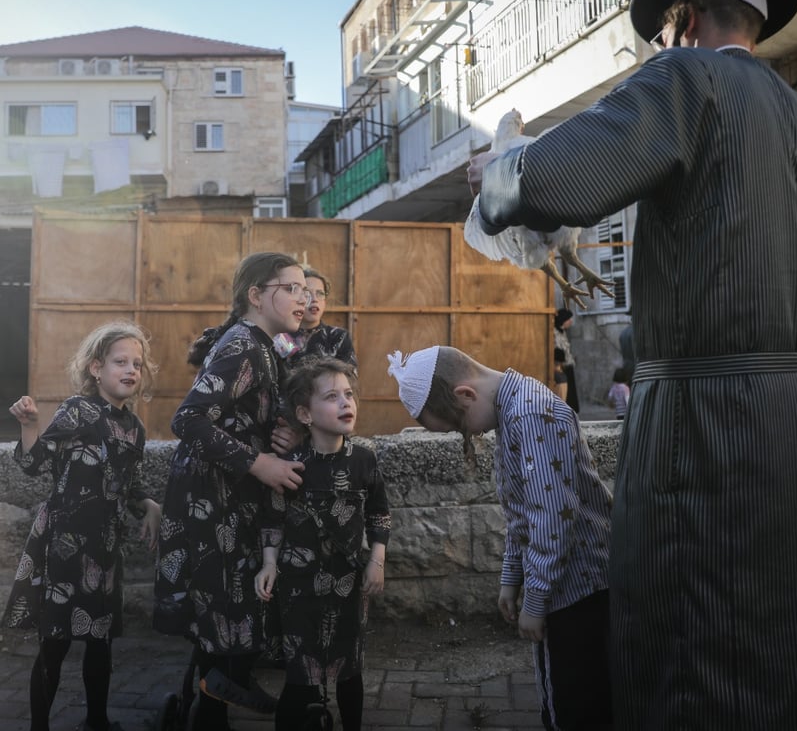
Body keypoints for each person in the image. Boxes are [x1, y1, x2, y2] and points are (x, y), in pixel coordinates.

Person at [466, 0, 797, 727]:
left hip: (704, 420)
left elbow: (552, 177)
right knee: (784, 637)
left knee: (691, 641)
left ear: (684, 18)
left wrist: (498, 170)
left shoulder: (684, 77)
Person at [388, 346, 613, 731]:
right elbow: (522, 506)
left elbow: (552, 516)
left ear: (465, 395)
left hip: (579, 588)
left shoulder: (531, 414)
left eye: (460, 426)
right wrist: (512, 577)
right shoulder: (512, 409)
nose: (470, 433)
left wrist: (536, 598)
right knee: (561, 693)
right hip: (563, 582)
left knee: (578, 704)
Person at [152, 252, 308, 730]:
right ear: (256, 296)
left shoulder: (264, 345)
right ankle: (213, 703)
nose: (303, 298)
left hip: (229, 496)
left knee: (224, 610)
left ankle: (212, 704)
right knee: (221, 606)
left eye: (306, 289)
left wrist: (284, 436)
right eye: (292, 288)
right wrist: (260, 462)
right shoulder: (243, 344)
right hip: (211, 498)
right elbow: (189, 419)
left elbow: (245, 416)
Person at [4, 321, 162, 731]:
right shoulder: (79, 410)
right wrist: (28, 426)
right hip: (63, 543)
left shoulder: (134, 428)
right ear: (96, 368)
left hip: (105, 548)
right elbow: (33, 463)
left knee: (99, 642)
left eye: (137, 364)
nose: (130, 370)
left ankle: (97, 720)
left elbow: (129, 485)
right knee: (55, 642)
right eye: (120, 362)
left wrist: (148, 505)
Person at [255, 356, 390, 731]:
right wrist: (269, 564)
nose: (346, 403)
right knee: (300, 677)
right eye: (332, 397)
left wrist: (377, 559)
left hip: (349, 582)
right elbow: (272, 518)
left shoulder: (364, 461)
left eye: (349, 394)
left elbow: (380, 514)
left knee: (350, 672)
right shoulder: (290, 464)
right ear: (306, 413)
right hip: (298, 586)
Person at [288, 267, 357, 368]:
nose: (315, 299)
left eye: (320, 293)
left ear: (325, 301)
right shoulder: (281, 337)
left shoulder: (339, 337)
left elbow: (350, 377)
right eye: (307, 294)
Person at [554, 309, 581, 415]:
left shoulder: (562, 331)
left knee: (571, 394)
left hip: (568, 365)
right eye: (568, 319)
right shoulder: (554, 332)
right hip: (560, 367)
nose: (570, 322)